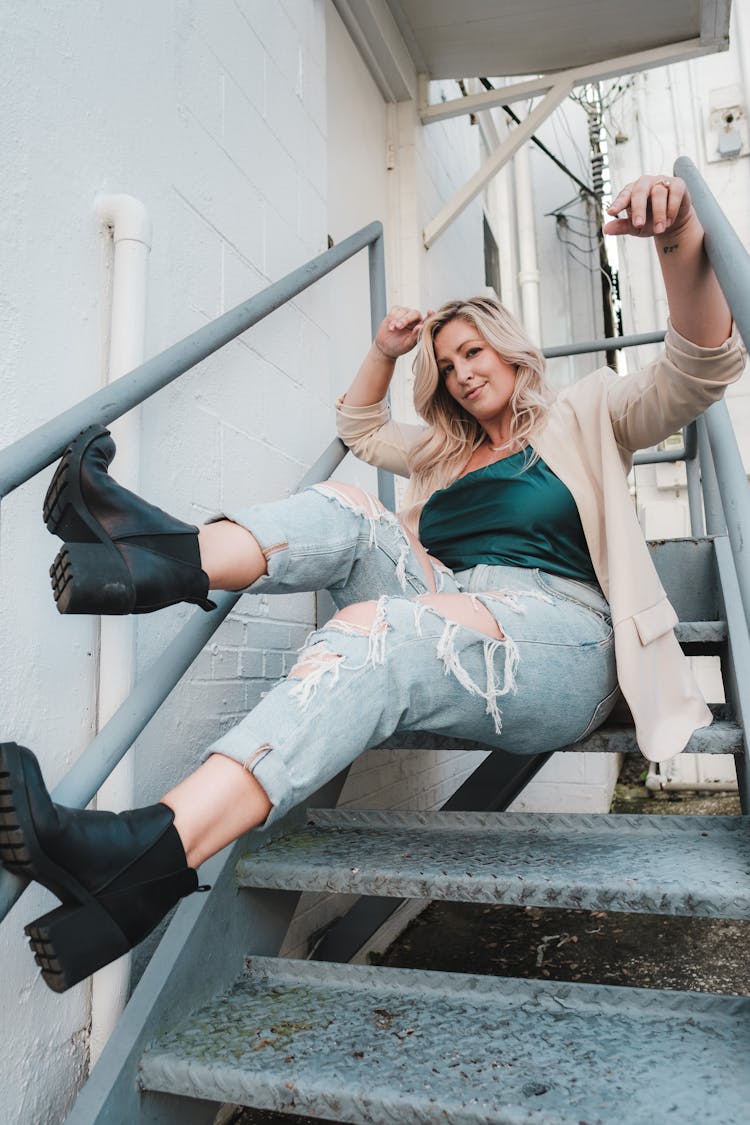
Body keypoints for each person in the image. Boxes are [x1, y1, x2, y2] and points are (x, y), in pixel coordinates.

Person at [0, 175, 744, 994]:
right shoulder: (443, 454)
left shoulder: (587, 410)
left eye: (474, 352)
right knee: (350, 509)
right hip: (456, 601)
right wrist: (388, 352)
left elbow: (699, 367)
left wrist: (676, 241)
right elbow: (356, 426)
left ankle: (146, 850)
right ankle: (159, 554)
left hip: (562, 634)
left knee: (376, 632)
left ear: (509, 348)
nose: (461, 373)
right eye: (448, 361)